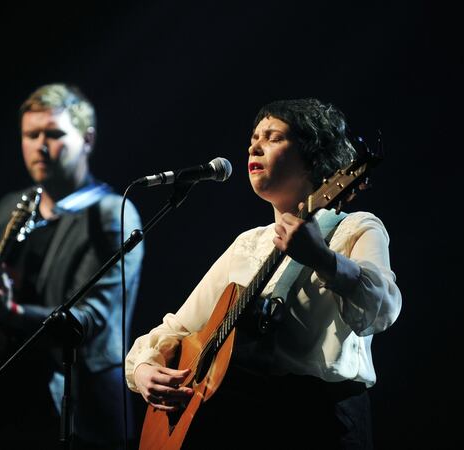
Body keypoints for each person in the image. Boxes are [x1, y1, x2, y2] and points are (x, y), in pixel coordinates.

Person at [125, 98, 401, 449]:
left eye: (273, 137)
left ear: (314, 157)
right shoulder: (247, 244)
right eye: (254, 138)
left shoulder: (356, 228)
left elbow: (383, 308)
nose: (254, 146)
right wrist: (144, 369)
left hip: (325, 421)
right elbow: (176, 329)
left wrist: (324, 259)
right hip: (246, 420)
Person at [0, 83, 144, 449]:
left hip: (77, 417)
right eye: (31, 134)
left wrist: (8, 311)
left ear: (87, 140)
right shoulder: (15, 205)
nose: (40, 146)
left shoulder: (111, 216)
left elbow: (86, 321)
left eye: (54, 134)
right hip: (4, 411)